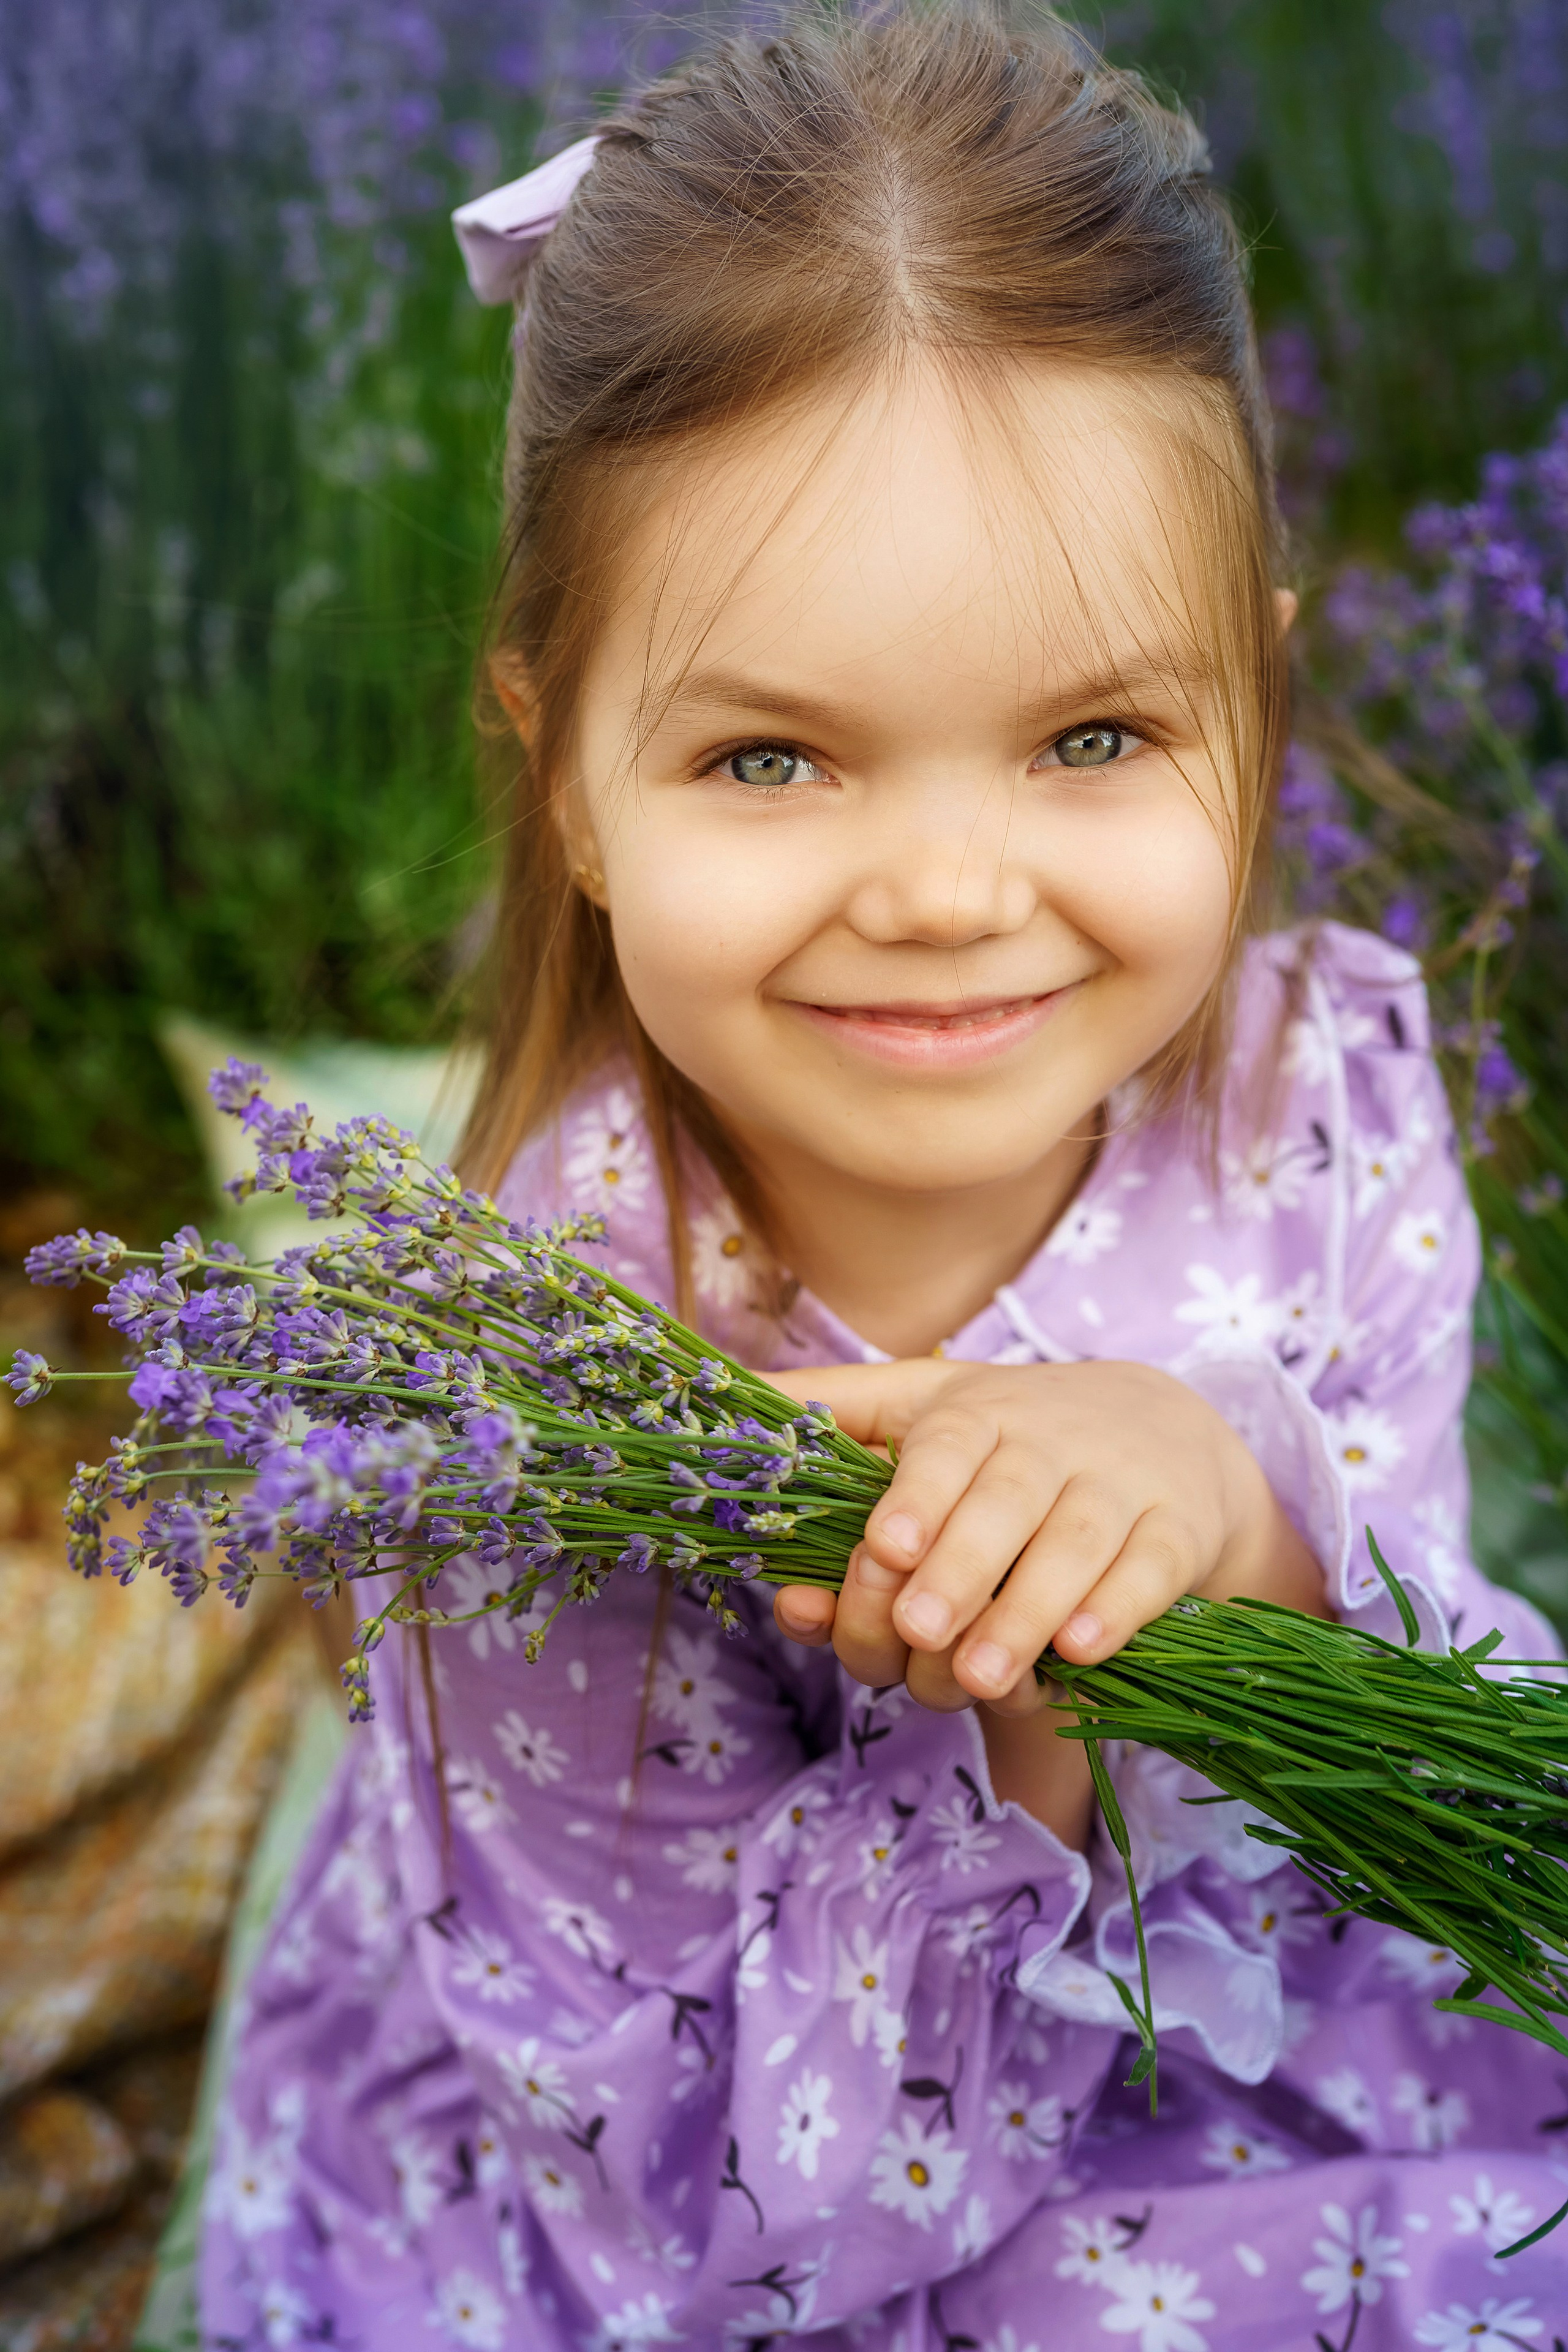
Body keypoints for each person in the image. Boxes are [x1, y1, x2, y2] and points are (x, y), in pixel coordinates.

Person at [199, 9, 1568, 2344]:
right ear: (565, 774)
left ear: (1254, 701)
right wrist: (1045, 1708)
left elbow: (1443, 1809)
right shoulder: (548, 1382)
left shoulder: (1316, 1092)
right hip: (767, 2152)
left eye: (1096, 736)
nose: (948, 891)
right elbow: (705, 2231)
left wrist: (1242, 1541)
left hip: (1260, 2019)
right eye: (770, 759)